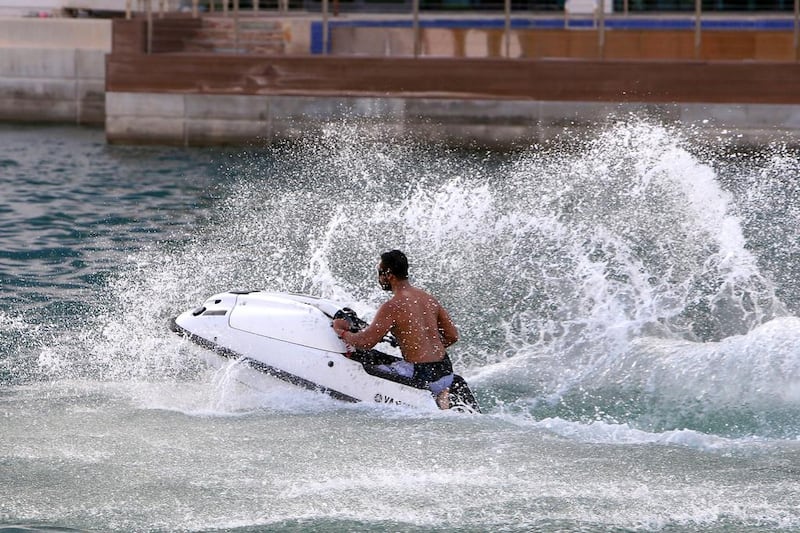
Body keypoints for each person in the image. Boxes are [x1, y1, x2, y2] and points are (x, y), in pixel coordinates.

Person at [332, 250, 459, 410]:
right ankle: (442, 392)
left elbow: (365, 342)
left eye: (380, 273)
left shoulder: (393, 306)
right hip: (445, 371)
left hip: (421, 375)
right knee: (399, 364)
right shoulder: (428, 298)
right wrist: (424, 349)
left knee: (361, 368)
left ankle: (433, 391)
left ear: (389, 275)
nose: (379, 278)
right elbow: (452, 336)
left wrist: (342, 332)